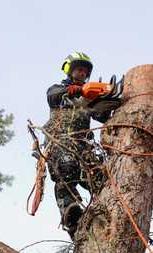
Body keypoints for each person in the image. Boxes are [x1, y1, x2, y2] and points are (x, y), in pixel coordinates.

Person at [43, 52, 113, 237]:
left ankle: (107, 215)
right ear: (70, 69)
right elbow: (52, 95)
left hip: (83, 146)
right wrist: (72, 90)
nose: (82, 73)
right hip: (61, 142)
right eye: (78, 69)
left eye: (84, 70)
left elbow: (104, 116)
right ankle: (72, 214)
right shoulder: (59, 90)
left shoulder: (89, 98)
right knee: (66, 167)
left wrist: (113, 104)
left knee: (102, 178)